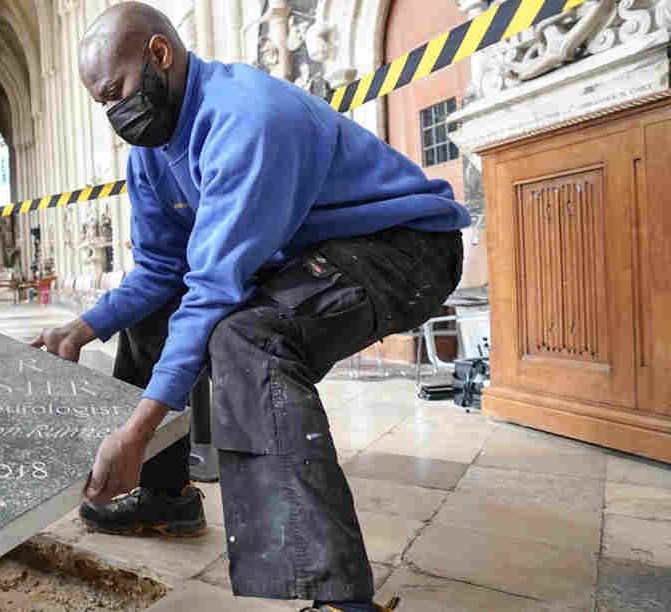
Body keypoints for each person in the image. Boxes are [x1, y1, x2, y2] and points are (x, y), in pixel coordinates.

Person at [31, 4, 468, 612]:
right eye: (102, 103)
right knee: (152, 313)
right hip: (314, 253)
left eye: (116, 93)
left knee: (246, 337)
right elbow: (160, 271)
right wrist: (83, 327)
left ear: (159, 54)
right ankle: (166, 496)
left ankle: (340, 598)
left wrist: (137, 429)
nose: (115, 115)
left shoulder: (245, 117)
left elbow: (214, 286)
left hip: (404, 247)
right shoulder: (150, 155)